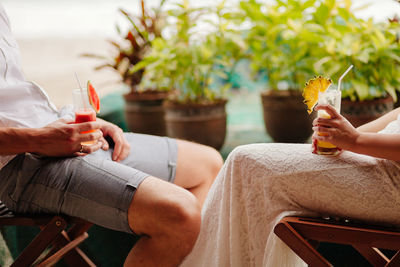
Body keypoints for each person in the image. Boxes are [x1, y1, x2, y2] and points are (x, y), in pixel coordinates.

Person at [0, 4, 223, 267]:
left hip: (46, 130)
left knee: (207, 165)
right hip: (17, 163)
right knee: (179, 214)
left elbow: (12, 96)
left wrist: (71, 119)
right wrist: (38, 139)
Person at [180, 102, 400, 266]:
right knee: (244, 162)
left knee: (248, 164)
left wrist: (355, 141)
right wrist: (344, 136)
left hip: (392, 182)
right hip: (380, 158)